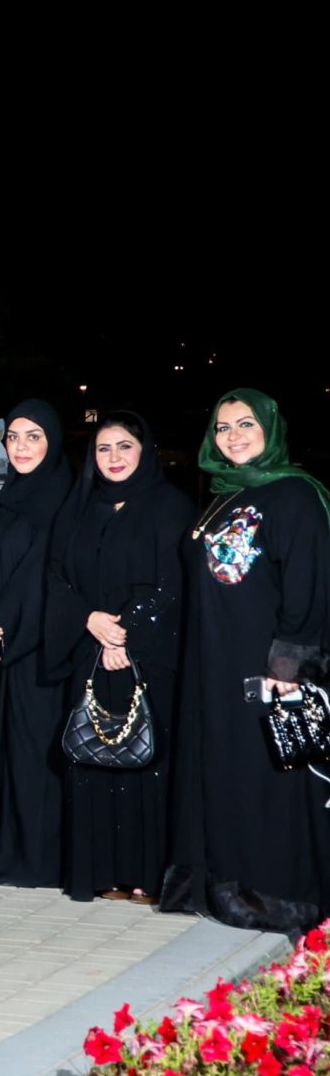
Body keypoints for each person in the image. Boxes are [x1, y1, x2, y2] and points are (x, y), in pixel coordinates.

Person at [164, 389, 329, 933]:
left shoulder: (294, 496)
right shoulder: (221, 496)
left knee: (266, 776)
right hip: (211, 660)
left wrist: (288, 668)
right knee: (219, 768)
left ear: (272, 431)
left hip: (263, 665)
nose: (233, 436)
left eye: (246, 425)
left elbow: (307, 585)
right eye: (223, 427)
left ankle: (274, 896)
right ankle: (219, 885)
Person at [45, 411, 191, 904]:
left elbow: (172, 583)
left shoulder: (170, 505)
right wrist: (89, 620)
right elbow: (56, 576)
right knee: (92, 757)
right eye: (104, 449)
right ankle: (101, 872)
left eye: (124, 446)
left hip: (147, 656)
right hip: (88, 650)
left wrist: (124, 638)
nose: (114, 458)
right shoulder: (79, 507)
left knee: (147, 760)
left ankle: (148, 876)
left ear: (145, 450)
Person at [0, 400, 77, 888]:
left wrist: (2, 631)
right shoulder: (8, 498)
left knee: (36, 761)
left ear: (52, 442)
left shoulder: (65, 500)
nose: (21, 446)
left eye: (34, 436)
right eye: (13, 437)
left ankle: (38, 863)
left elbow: (44, 579)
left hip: (38, 654)